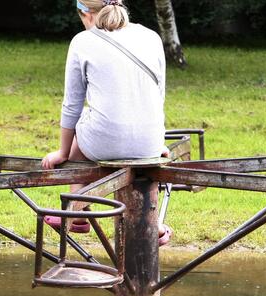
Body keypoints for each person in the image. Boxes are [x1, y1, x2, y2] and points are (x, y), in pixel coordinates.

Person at [40, 0, 171, 244]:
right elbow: (157, 94)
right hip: (150, 144)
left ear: (85, 13)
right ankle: (153, 226)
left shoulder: (83, 41)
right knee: (139, 167)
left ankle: (75, 213)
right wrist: (158, 142)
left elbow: (72, 104)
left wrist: (63, 151)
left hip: (105, 143)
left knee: (81, 136)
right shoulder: (151, 37)